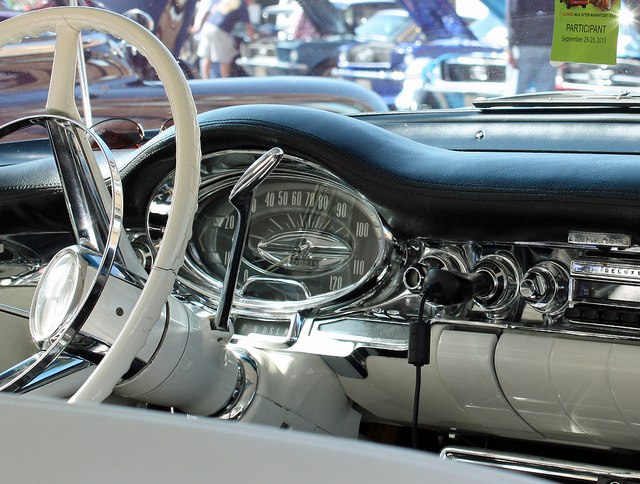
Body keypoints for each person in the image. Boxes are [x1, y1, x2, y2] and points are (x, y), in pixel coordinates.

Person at [191, 0, 255, 79]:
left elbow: (214, 8)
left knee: (207, 56)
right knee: (225, 60)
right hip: (220, 30)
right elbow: (248, 25)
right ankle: (225, 82)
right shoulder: (242, 5)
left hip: (208, 26)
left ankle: (205, 80)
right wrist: (252, 38)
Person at [505, 0, 557, 94]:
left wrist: (509, 49)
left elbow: (512, 17)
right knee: (546, 96)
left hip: (525, 47)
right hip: (550, 48)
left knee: (514, 95)